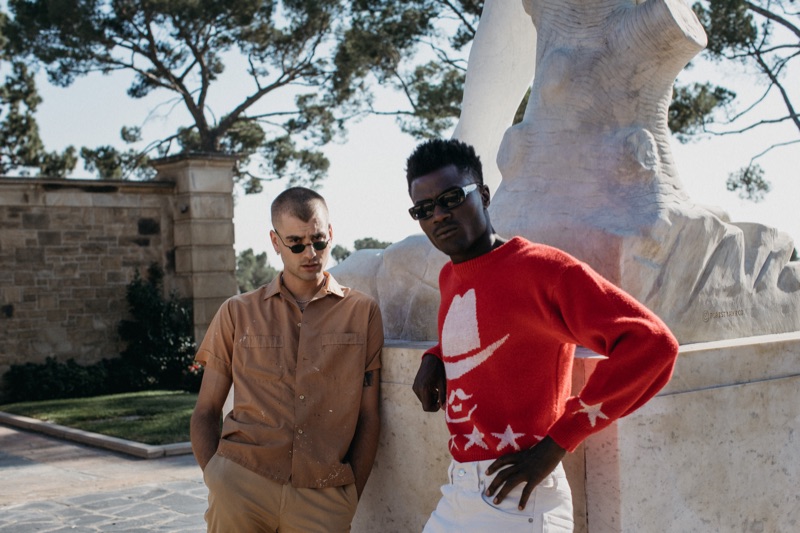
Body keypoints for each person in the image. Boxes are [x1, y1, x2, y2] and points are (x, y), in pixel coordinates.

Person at [406, 139, 679, 532]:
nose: (439, 215)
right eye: (425, 209)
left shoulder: (544, 269)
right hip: (459, 491)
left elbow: (653, 344)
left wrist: (557, 444)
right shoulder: (451, 275)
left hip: (520, 498)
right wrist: (434, 355)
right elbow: (493, 326)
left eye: (452, 197)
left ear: (483, 194)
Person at [190, 187, 383, 533]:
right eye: (295, 243)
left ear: (331, 235)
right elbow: (205, 410)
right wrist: (217, 477)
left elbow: (369, 414)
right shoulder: (237, 312)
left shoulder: (362, 312)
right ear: (275, 242)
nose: (310, 253)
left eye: (318, 241)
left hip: (324, 495)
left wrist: (350, 494)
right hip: (242, 484)